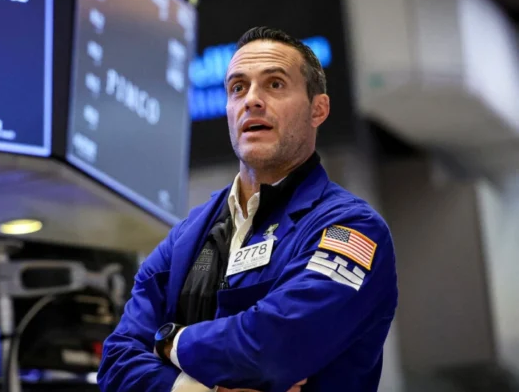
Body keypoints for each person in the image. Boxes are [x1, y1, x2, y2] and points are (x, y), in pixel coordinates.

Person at [97, 26, 398, 392]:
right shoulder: (185, 238)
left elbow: (272, 350)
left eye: (274, 85)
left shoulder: (350, 227)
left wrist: (168, 342)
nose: (251, 100)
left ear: (318, 109)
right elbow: (115, 365)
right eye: (238, 88)